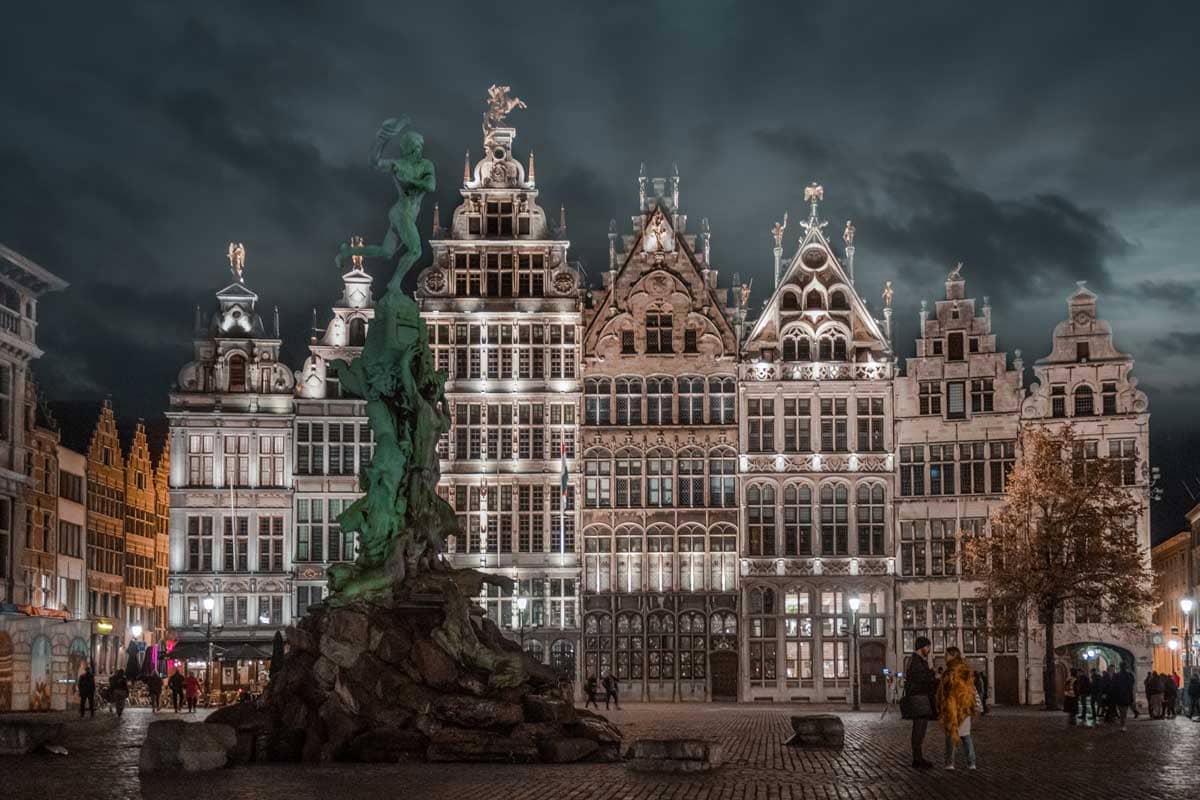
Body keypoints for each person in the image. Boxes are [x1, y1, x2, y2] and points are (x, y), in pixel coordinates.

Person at [936, 647, 978, 770]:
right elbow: (971, 688)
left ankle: (950, 763)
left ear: (952, 656)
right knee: (966, 736)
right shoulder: (965, 670)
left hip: (953, 707)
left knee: (951, 735)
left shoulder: (950, 672)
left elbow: (945, 690)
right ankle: (971, 763)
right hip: (964, 706)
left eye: (947, 655)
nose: (945, 657)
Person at [906, 636, 937, 769]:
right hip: (919, 700)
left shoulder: (918, 661)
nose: (929, 649)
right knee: (919, 730)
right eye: (927, 647)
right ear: (921, 647)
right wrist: (931, 673)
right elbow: (920, 679)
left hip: (920, 699)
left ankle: (918, 758)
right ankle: (917, 760)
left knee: (920, 730)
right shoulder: (916, 662)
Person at [1115, 662, 1136, 731]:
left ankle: (1123, 724)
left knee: (1122, 712)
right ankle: (1123, 724)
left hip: (1119, 696)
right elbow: (1132, 685)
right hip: (1126, 696)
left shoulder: (1117, 675)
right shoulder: (1129, 675)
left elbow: (1114, 686)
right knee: (1123, 712)